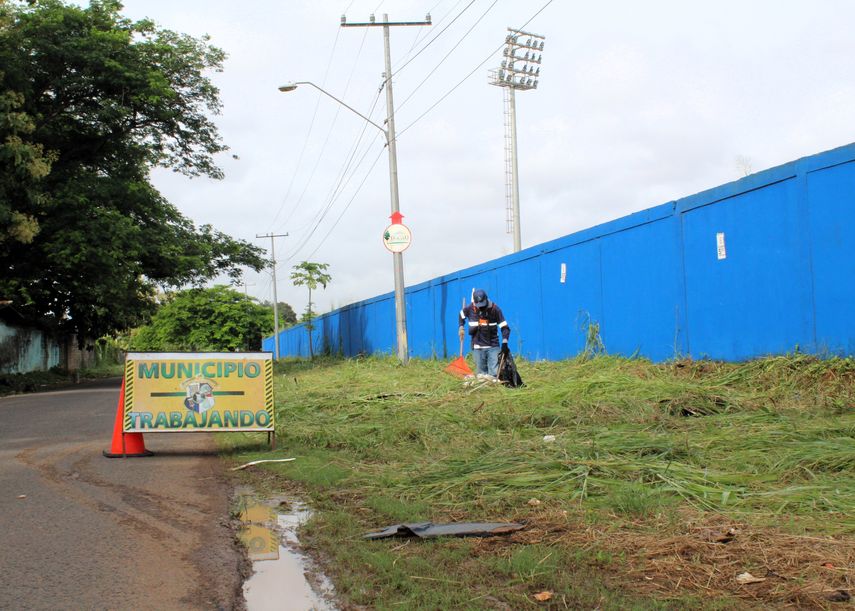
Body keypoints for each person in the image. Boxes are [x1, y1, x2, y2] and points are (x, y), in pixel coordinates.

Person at [458, 289, 510, 379]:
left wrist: (505, 342)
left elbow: (504, 328)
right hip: (477, 347)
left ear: (486, 299)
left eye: (483, 305)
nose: (481, 308)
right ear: (474, 303)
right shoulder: (469, 309)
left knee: (494, 374)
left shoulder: (495, 309)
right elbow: (461, 315)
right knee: (481, 375)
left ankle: (494, 390)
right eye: (479, 306)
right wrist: (461, 327)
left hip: (493, 346)